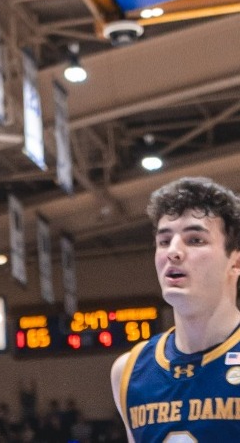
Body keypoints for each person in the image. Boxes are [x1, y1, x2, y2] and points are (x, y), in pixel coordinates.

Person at [112, 177, 240, 440]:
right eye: (164, 241)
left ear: (235, 262)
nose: (173, 252)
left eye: (195, 240)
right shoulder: (128, 371)